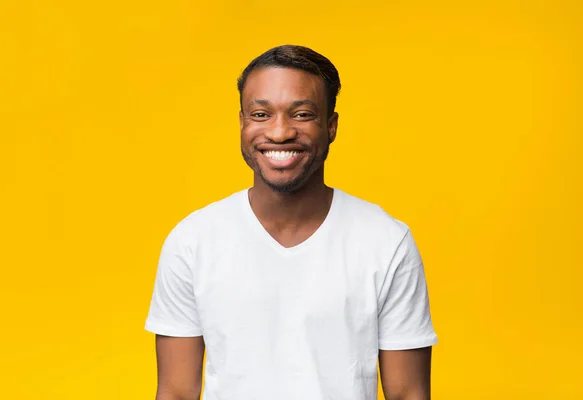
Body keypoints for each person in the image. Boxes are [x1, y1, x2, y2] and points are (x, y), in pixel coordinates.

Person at [144, 44, 438, 400]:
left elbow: (409, 393)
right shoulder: (193, 241)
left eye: (301, 114)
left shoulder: (386, 242)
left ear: (331, 126)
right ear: (241, 122)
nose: (280, 133)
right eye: (260, 114)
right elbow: (175, 392)